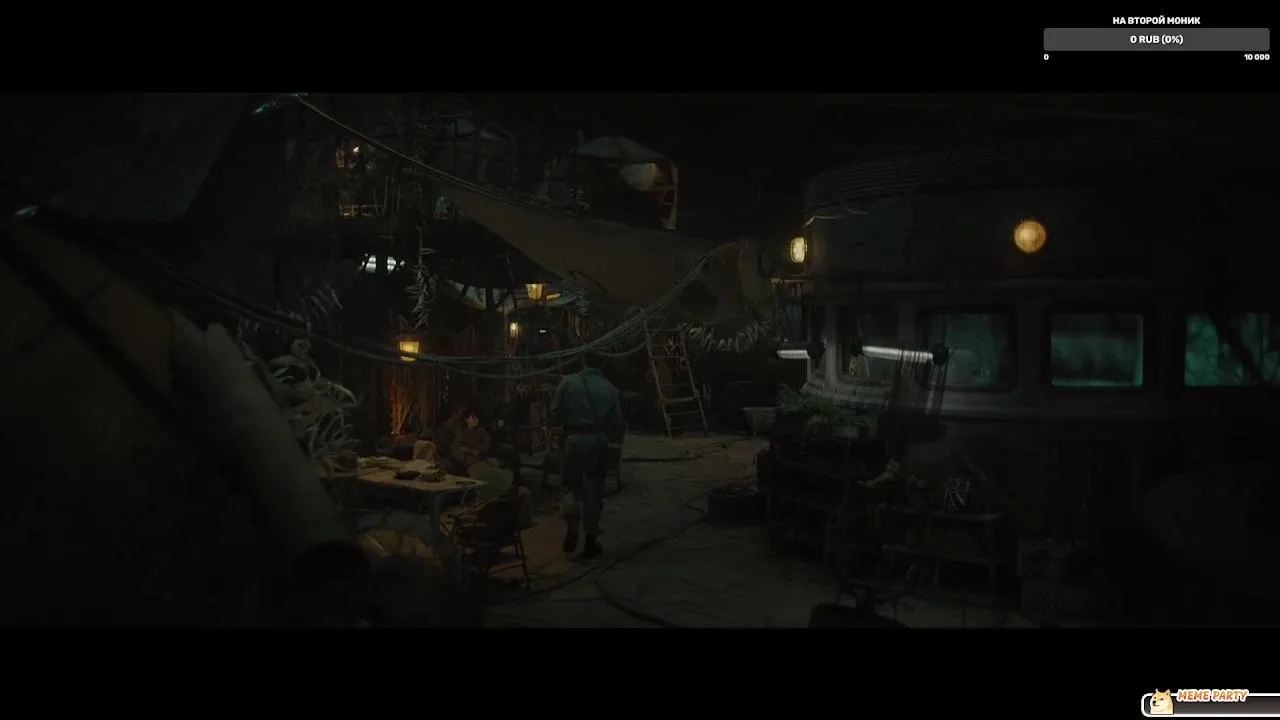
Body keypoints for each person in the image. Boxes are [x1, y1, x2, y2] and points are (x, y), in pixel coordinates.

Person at [550, 356, 623, 559]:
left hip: (572, 439)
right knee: (594, 490)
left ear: (583, 361)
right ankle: (590, 540)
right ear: (603, 363)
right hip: (597, 441)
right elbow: (617, 421)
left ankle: (572, 527)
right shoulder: (609, 388)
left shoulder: (567, 382)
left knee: (570, 486)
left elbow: (554, 414)